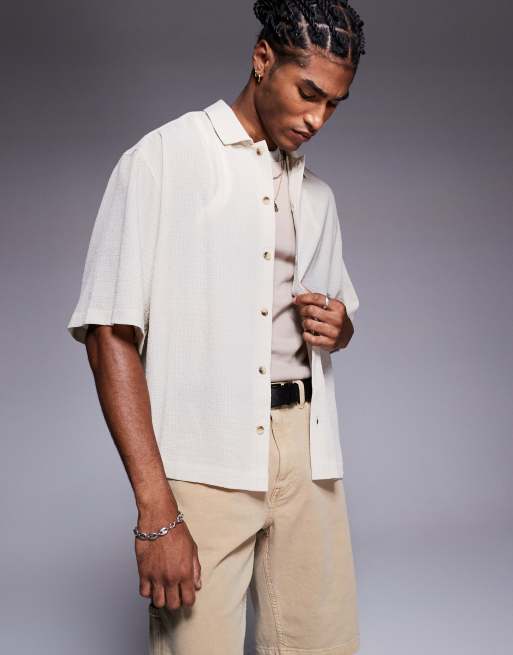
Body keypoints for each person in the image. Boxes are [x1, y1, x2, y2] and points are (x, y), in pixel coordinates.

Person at [66, 1, 366, 653]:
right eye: (307, 93)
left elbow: (335, 318)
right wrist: (155, 509)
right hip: (203, 457)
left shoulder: (317, 195)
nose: (317, 119)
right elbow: (109, 335)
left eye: (333, 105)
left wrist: (338, 327)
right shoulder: (163, 160)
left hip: (308, 456)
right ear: (262, 60)